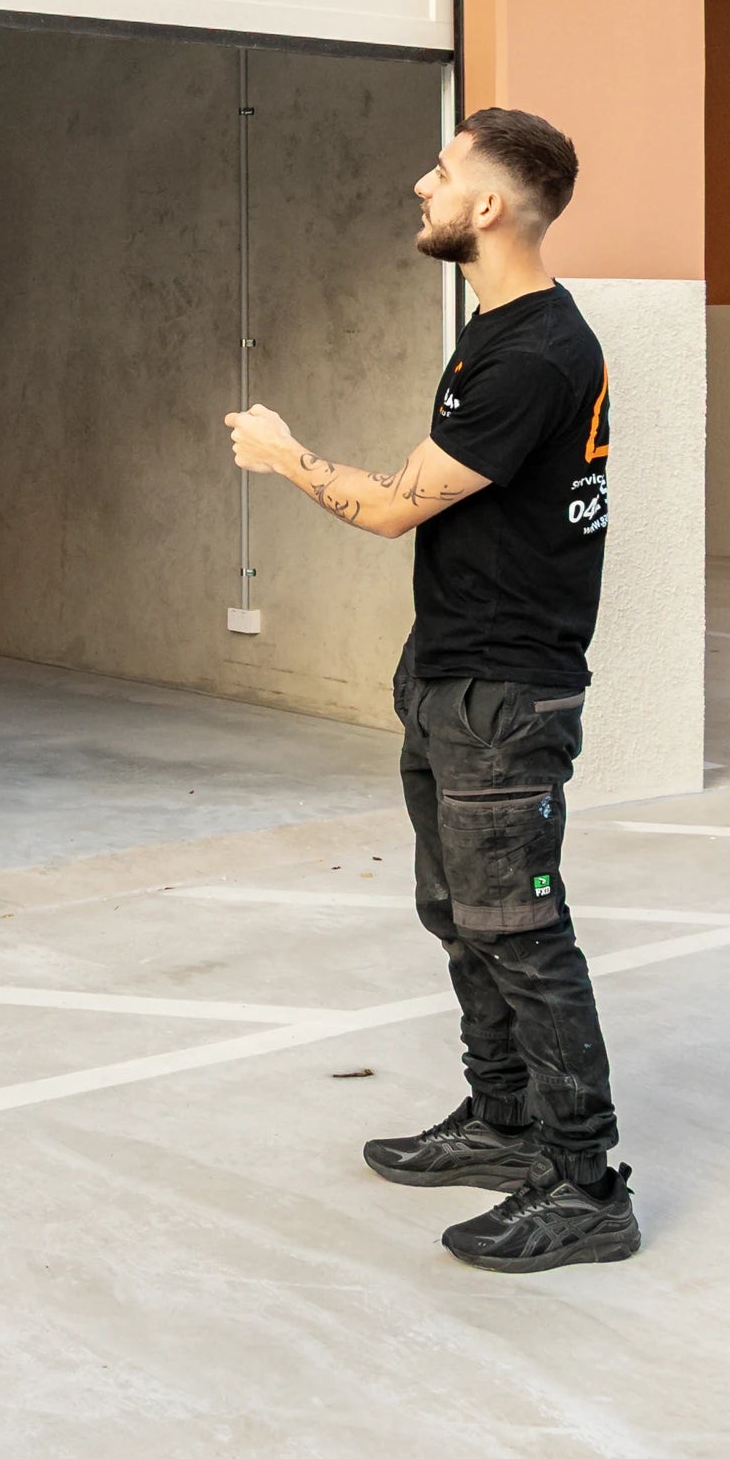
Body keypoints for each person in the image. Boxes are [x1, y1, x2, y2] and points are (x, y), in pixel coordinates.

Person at [224, 107, 637, 1273]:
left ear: (490, 207)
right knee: (459, 915)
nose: (423, 183)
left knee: (521, 932)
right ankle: (505, 1123)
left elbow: (396, 502)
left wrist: (286, 454)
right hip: (455, 671)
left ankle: (585, 1182)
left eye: (443, 171)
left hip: (506, 691)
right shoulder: (498, 330)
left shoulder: (532, 352)